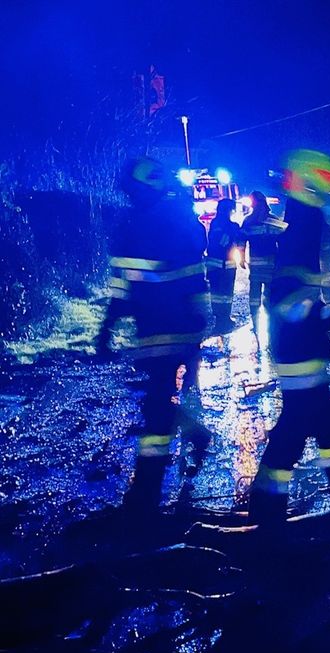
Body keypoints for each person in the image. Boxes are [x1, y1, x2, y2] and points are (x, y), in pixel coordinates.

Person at [248, 149, 330, 526]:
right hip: (298, 353)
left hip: (300, 351)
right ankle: (266, 512)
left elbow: (306, 300)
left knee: (326, 420)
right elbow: (292, 301)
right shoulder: (303, 228)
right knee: (294, 431)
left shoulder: (303, 222)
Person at [96, 155, 212, 514]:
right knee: (158, 404)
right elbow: (195, 273)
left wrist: (106, 329)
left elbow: (122, 287)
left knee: (156, 409)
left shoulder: (130, 225)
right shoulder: (179, 220)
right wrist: (198, 321)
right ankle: (192, 433)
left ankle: (145, 493)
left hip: (155, 330)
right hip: (176, 327)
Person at [241, 190, 286, 335]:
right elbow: (284, 243)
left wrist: (242, 258)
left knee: (255, 297)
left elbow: (241, 242)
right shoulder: (273, 220)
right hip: (271, 266)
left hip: (256, 267)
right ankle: (270, 324)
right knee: (268, 295)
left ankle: (257, 324)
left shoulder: (248, 221)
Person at [205, 198, 246, 336]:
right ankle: (220, 319)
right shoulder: (219, 224)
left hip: (225, 264)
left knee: (226, 293)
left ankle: (224, 317)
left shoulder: (222, 224)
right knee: (219, 293)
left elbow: (239, 242)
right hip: (219, 263)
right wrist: (234, 232)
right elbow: (222, 242)